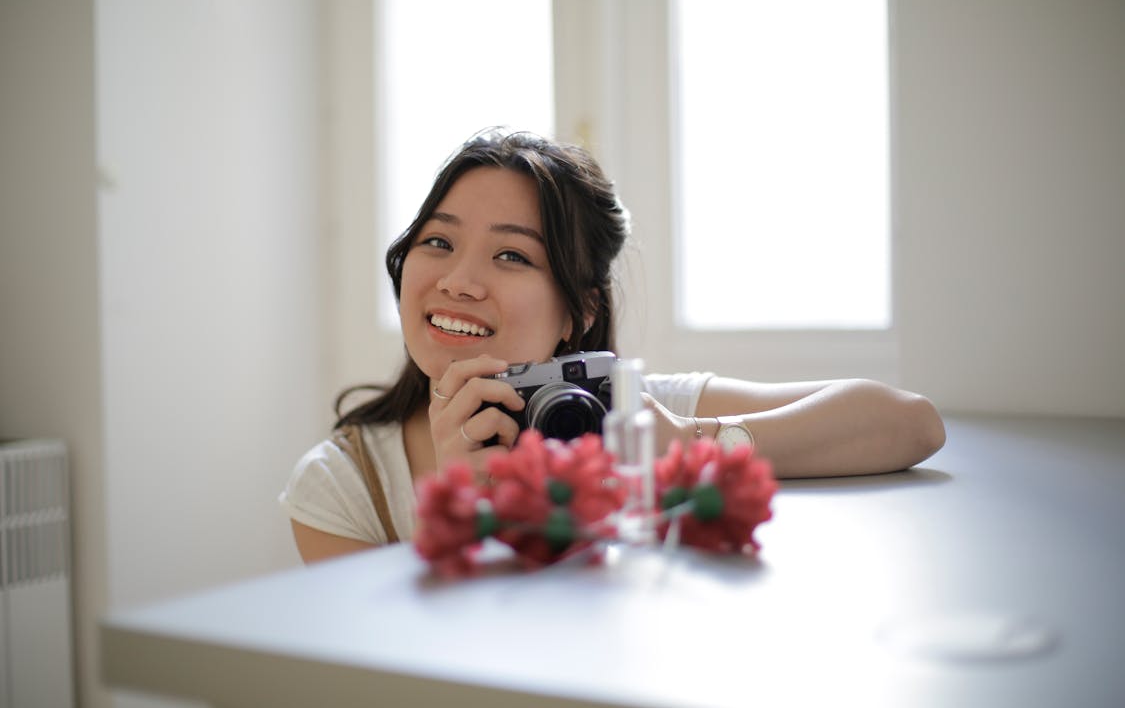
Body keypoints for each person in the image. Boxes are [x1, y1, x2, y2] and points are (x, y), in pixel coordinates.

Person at [280, 128, 946, 564]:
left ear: (578, 310)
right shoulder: (342, 487)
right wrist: (468, 515)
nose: (457, 281)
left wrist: (685, 447)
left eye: (511, 254)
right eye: (437, 241)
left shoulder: (631, 415)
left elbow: (908, 421)